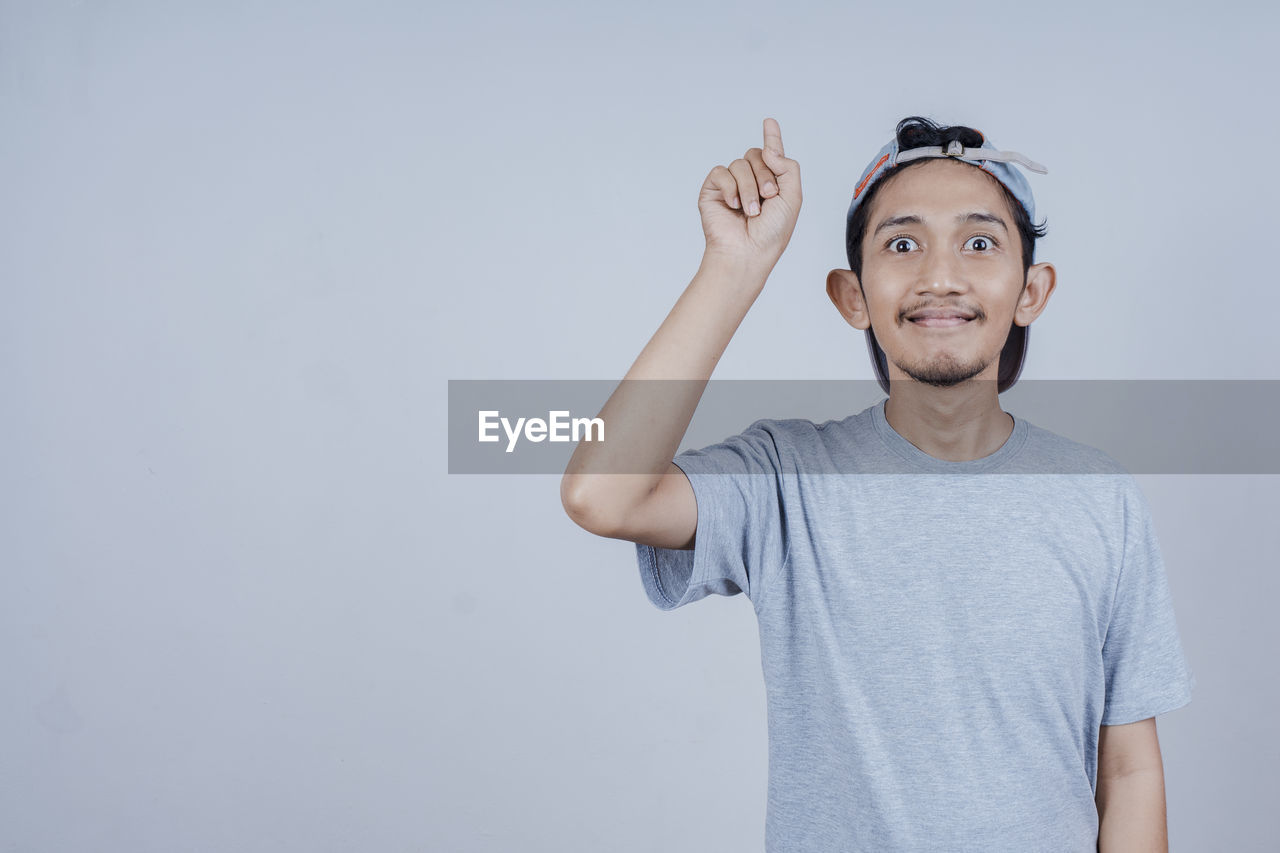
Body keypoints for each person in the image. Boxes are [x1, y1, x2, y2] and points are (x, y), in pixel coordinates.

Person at [560, 116, 1195, 852]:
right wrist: (734, 267)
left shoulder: (1099, 498)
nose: (940, 276)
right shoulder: (788, 481)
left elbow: (1128, 772)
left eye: (980, 242)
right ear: (851, 295)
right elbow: (602, 494)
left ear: (1032, 289)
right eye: (902, 243)